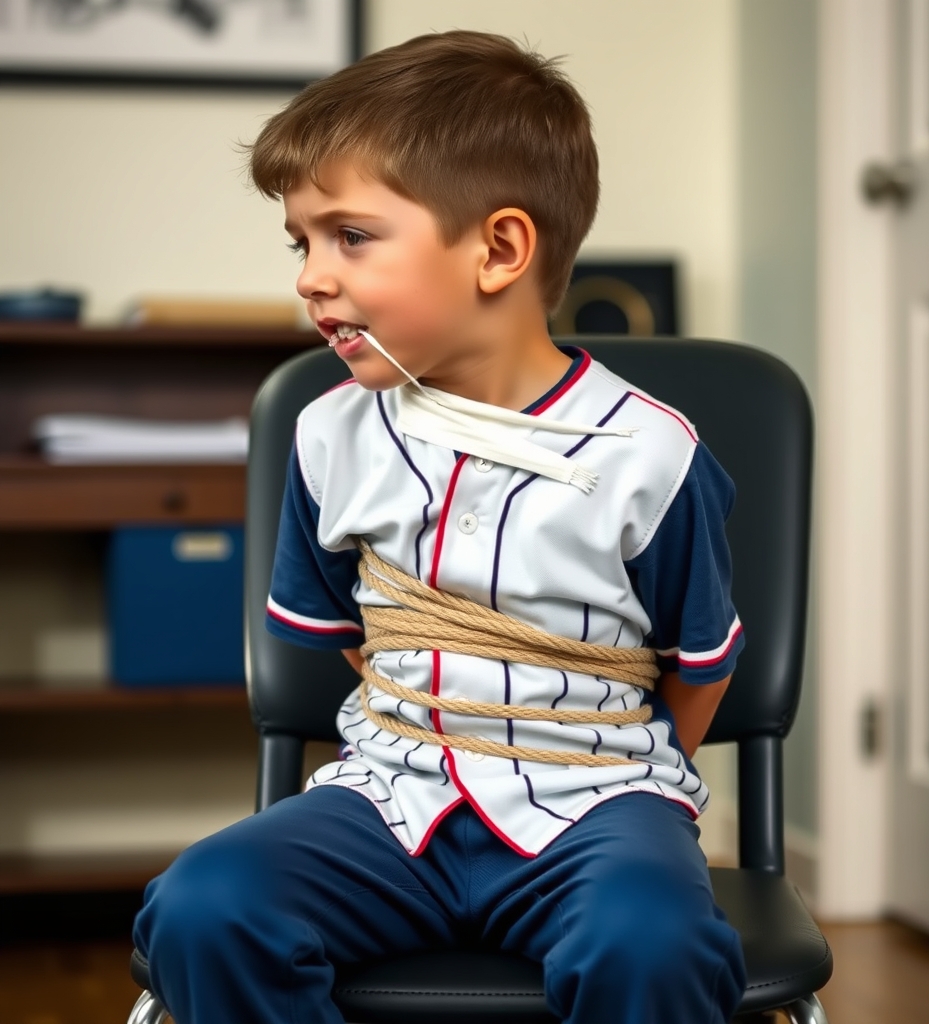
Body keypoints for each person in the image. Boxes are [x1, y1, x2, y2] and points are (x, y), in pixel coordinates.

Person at [134, 30, 747, 1024]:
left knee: (652, 943)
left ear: (498, 249)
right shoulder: (329, 433)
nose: (309, 277)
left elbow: (701, 665)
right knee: (206, 907)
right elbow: (336, 638)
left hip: (594, 806)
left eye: (351, 237)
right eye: (301, 242)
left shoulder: (647, 455)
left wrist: (618, 782)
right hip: (390, 793)